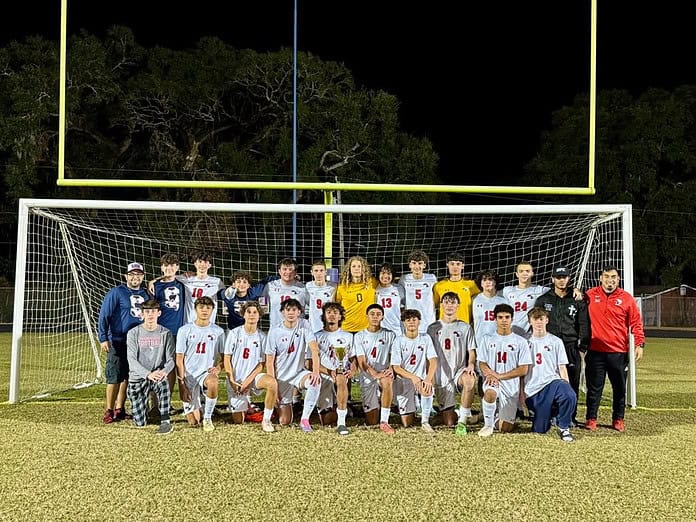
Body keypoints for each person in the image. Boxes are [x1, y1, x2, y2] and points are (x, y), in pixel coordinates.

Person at [584, 266, 645, 433]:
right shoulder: (589, 295)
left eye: (614, 277)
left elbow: (636, 323)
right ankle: (591, 418)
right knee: (594, 387)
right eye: (606, 276)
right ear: (600, 278)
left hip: (618, 352)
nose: (610, 280)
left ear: (618, 280)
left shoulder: (626, 298)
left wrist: (639, 344)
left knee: (619, 388)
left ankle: (618, 419)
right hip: (595, 351)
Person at [535, 265, 589, 425]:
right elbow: (536, 322)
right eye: (558, 277)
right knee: (550, 381)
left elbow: (584, 324)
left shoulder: (577, 299)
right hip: (548, 348)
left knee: (571, 382)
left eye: (564, 277)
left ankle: (569, 417)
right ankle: (551, 414)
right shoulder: (544, 300)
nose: (561, 280)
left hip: (570, 347)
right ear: (553, 279)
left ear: (568, 278)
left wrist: (582, 348)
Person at [98, 262, 149, 424]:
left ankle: (120, 409)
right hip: (118, 340)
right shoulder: (117, 292)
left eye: (138, 274)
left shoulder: (147, 293)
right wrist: (103, 337)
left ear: (142, 276)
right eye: (132, 274)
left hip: (137, 342)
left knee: (127, 376)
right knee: (114, 376)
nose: (135, 277)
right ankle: (109, 409)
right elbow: (104, 315)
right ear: (126, 276)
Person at [264, 298, 322, 432]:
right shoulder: (275, 331)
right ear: (282, 313)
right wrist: (274, 385)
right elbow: (269, 361)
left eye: (294, 310)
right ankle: (274, 409)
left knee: (315, 382)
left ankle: (305, 420)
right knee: (285, 421)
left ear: (299, 312)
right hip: (281, 377)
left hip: (298, 374)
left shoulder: (304, 325)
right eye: (287, 310)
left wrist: (316, 372)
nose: (291, 313)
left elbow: (314, 349)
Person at [520, 307, 577, 442]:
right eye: (535, 319)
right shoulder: (523, 342)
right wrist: (521, 394)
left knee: (569, 395)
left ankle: (564, 427)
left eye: (541, 319)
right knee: (540, 429)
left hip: (552, 382)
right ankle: (550, 415)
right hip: (532, 390)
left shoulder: (556, 341)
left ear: (547, 320)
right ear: (530, 321)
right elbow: (521, 372)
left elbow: (562, 368)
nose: (538, 322)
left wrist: (566, 386)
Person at [477, 303, 532, 437]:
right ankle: (487, 425)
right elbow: (482, 363)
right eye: (500, 317)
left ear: (512, 319)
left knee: (505, 428)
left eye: (507, 317)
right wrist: (490, 376)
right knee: (490, 393)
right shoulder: (487, 339)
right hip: (492, 380)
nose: (504, 320)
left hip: (510, 384)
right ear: (495, 319)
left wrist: (499, 376)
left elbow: (523, 369)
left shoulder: (520, 342)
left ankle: (494, 416)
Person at [426, 292, 477, 434]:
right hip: (441, 373)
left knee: (470, 380)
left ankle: (463, 421)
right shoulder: (432, 328)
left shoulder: (465, 327)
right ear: (441, 305)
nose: (449, 305)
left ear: (458, 305)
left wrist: (471, 364)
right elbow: (428, 354)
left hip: (459, 370)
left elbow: (471, 350)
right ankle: (445, 413)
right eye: (446, 302)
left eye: (453, 302)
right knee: (449, 422)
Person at [223, 301, 277, 433]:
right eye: (249, 312)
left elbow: (261, 364)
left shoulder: (263, 337)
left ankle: (266, 420)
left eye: (255, 312)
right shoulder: (234, 333)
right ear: (243, 314)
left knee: (272, 383)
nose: (252, 315)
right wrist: (232, 380)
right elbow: (227, 359)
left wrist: (248, 381)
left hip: (252, 379)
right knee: (238, 420)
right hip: (236, 381)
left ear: (259, 315)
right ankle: (246, 405)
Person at [175, 296, 225, 432]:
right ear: (195, 309)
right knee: (193, 422)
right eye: (201, 307)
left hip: (206, 373)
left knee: (214, 382)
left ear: (212, 311)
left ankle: (208, 418)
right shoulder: (184, 330)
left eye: (208, 308)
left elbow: (225, 358)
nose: (204, 310)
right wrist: (182, 383)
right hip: (189, 375)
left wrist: (218, 368)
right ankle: (201, 408)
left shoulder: (218, 331)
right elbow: (179, 358)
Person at [126, 299, 175, 434]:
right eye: (147, 312)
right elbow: (131, 360)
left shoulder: (166, 333)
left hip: (157, 376)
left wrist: (164, 371)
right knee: (140, 423)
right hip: (138, 378)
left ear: (159, 313)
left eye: (153, 311)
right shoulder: (133, 333)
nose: (150, 314)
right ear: (142, 314)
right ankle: (143, 410)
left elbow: (171, 360)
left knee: (163, 382)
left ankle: (165, 420)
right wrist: (148, 374)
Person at [391, 309, 438, 432]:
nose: (411, 322)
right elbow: (396, 367)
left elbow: (433, 360)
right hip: (405, 380)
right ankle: (414, 406)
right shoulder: (398, 341)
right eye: (408, 320)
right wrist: (413, 377)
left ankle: (425, 421)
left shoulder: (425, 338)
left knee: (427, 386)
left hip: (421, 378)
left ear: (419, 322)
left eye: (414, 320)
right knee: (407, 423)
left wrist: (428, 379)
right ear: (403, 323)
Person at [313, 302, 354, 435]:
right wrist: (329, 371)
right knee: (327, 420)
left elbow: (354, 359)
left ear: (341, 317)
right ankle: (338, 408)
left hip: (341, 374)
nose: (332, 315)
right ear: (324, 316)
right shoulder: (316, 336)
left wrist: (353, 370)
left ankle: (342, 423)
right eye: (329, 312)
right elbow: (309, 363)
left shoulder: (348, 336)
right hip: (323, 374)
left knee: (341, 379)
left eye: (335, 313)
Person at [354, 304, 397, 433]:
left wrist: (390, 369)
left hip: (383, 375)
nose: (375, 317)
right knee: (371, 421)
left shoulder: (390, 335)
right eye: (372, 314)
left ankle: (384, 421)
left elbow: (394, 356)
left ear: (382, 317)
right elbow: (361, 362)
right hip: (368, 378)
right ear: (367, 316)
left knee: (387, 380)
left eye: (378, 314)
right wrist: (375, 374)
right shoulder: (359, 336)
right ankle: (376, 404)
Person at [151, 253, 186, 403]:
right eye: (166, 265)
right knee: (159, 366)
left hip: (179, 331)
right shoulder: (155, 286)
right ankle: (156, 402)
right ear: (161, 268)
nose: (169, 268)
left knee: (176, 367)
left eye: (172, 265)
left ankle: (171, 401)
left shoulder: (183, 284)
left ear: (177, 267)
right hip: (161, 332)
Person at [502, 260, 551, 337]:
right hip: (511, 333)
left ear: (532, 273)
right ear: (517, 274)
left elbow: (558, 291)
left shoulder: (539, 290)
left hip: (529, 335)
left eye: (527, 271)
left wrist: (575, 290)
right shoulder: (507, 290)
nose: (524, 273)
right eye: (521, 271)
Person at [433, 253, 480, 324]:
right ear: (447, 265)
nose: (455, 267)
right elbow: (435, 305)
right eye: (452, 264)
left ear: (463, 266)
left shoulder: (471, 285)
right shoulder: (439, 286)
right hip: (445, 326)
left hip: (464, 325)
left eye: (458, 264)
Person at [335, 255, 377, 333]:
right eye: (353, 266)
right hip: (346, 329)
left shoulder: (372, 283)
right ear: (349, 269)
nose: (356, 269)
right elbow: (337, 306)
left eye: (359, 266)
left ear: (364, 269)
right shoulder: (342, 287)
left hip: (366, 329)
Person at [398, 250, 437, 333]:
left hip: (428, 321)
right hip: (411, 322)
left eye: (420, 263)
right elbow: (401, 301)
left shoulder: (432, 278)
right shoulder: (404, 279)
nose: (417, 266)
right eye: (414, 263)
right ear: (410, 265)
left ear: (424, 265)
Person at [263, 258, 308, 328]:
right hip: (276, 330)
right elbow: (262, 307)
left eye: (291, 269)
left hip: (298, 331)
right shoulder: (269, 286)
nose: (288, 272)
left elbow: (313, 307)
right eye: (284, 269)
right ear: (279, 271)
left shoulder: (303, 288)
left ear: (295, 272)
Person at [472, 269, 508, 349]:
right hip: (480, 343)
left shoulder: (503, 301)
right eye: (484, 280)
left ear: (495, 282)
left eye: (490, 279)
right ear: (480, 283)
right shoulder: (474, 300)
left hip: (499, 343)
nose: (487, 282)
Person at [305, 260, 337, 333]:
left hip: (328, 327)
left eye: (321, 270)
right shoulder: (307, 286)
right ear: (312, 272)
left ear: (326, 272)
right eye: (316, 271)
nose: (319, 273)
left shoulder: (333, 287)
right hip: (313, 327)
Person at [374, 262, 405, 335]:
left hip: (396, 329)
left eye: (388, 274)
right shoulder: (374, 289)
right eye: (382, 273)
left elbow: (403, 308)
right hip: (380, 330)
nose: (385, 276)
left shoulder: (399, 289)